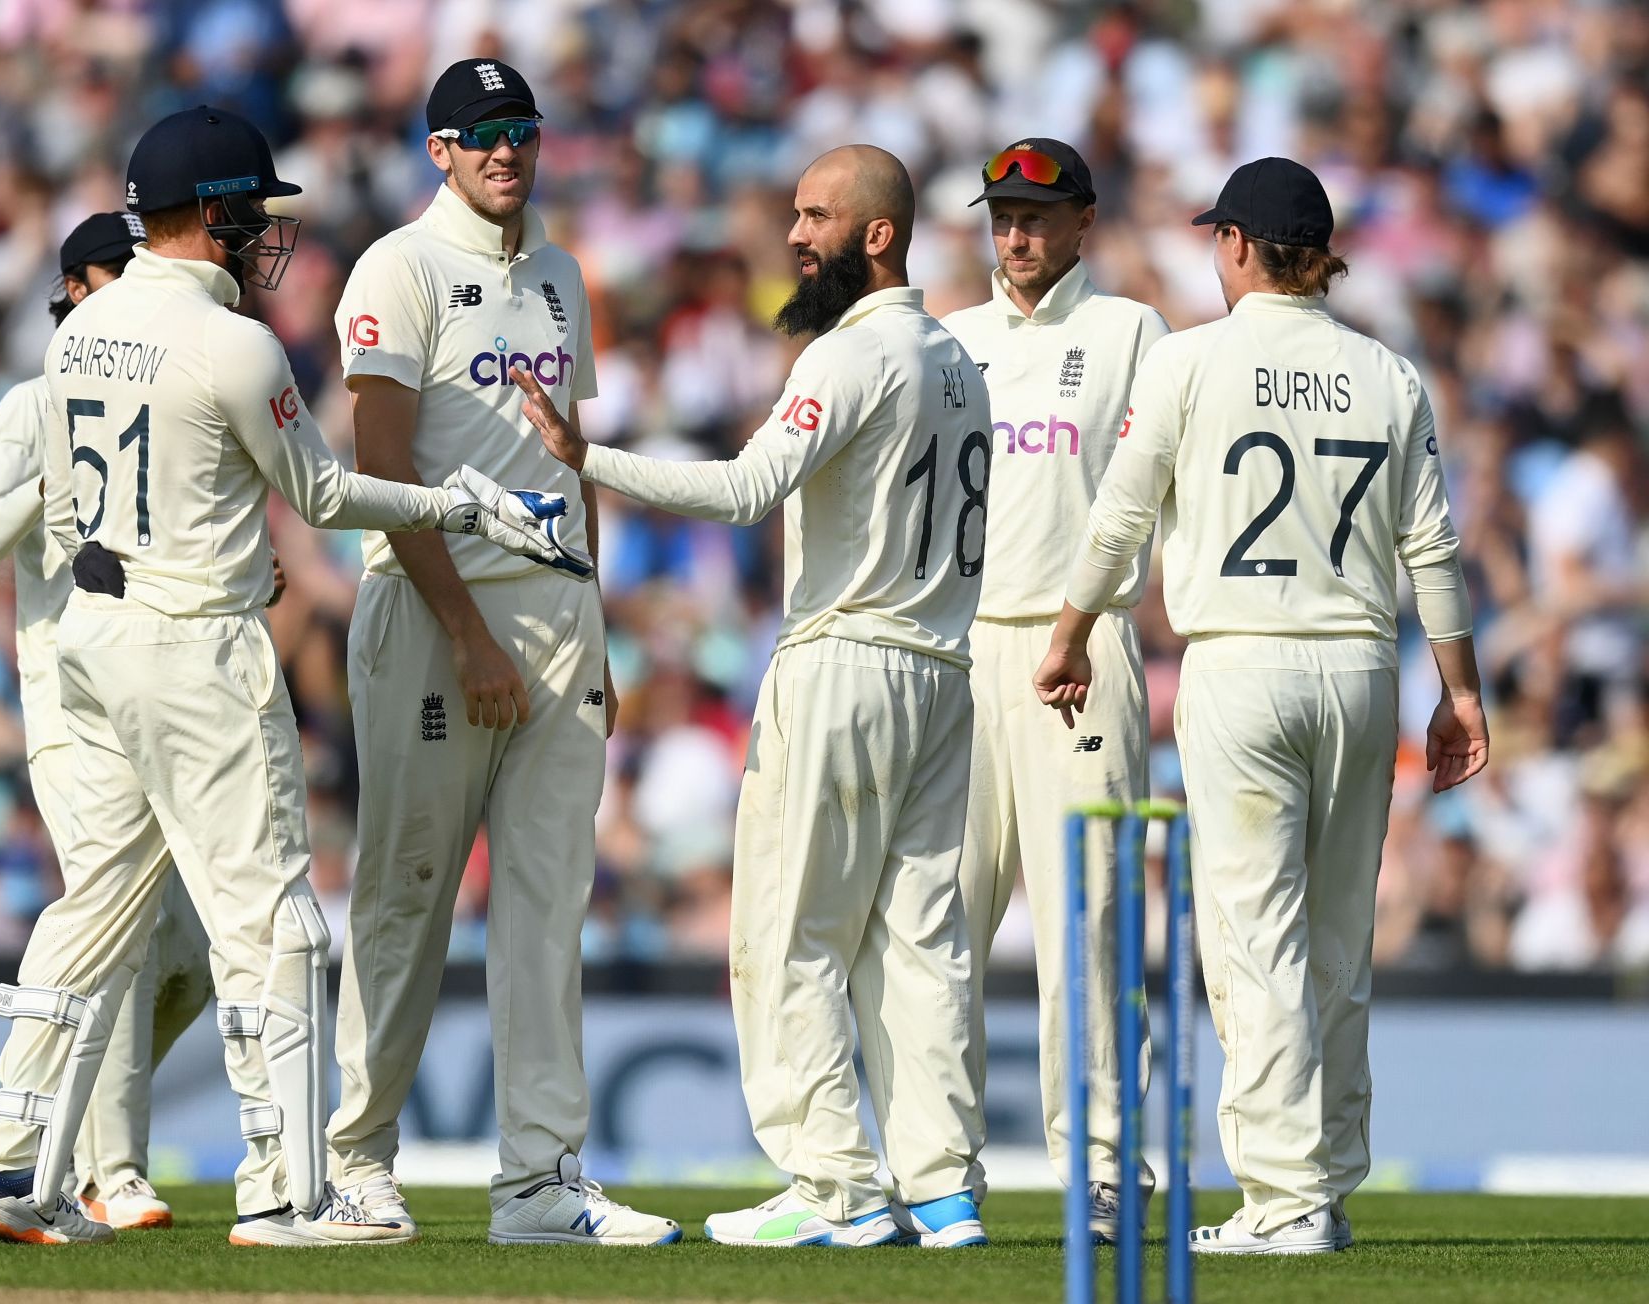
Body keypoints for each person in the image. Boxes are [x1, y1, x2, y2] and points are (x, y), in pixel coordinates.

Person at [0, 104, 589, 1248]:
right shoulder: (234, 340)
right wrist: (462, 500)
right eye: (250, 212)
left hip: (92, 651)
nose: (262, 236)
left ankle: (10, 1164)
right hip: (198, 644)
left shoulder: (76, 335)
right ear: (208, 213)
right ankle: (292, 1191)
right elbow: (327, 497)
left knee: (97, 904)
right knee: (280, 926)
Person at [519, 144, 990, 1250]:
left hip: (846, 664)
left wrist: (591, 459)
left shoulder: (846, 356)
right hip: (940, 670)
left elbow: (742, 491)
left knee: (789, 938)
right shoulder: (964, 360)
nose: (793, 235)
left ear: (878, 233)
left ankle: (836, 1186)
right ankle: (944, 1187)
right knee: (921, 945)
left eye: (816, 215)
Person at [1034, 157, 1490, 1254]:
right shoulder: (1388, 373)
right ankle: (1324, 1178)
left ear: (1238, 244)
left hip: (1241, 664)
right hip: (1360, 670)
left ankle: (1286, 1200)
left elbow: (1120, 517)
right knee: (1336, 935)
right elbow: (1431, 544)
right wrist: (1461, 688)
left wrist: (1065, 631)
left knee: (1254, 937)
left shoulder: (1193, 360)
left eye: (1217, 240)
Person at [323, 59, 676, 1247]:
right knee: (406, 896)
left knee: (546, 905)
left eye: (519, 130)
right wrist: (470, 633)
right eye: (480, 135)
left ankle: (540, 1181)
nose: (504, 151)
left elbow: (569, 459)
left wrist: (598, 623)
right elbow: (380, 473)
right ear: (439, 150)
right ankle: (356, 1161)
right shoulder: (399, 266)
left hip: (557, 614)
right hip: (436, 613)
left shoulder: (565, 275)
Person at [0, 211, 217, 1233]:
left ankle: (82, 1162)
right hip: (69, 701)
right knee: (115, 921)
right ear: (79, 285)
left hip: (165, 696)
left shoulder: (171, 391)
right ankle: (69, 1166)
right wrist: (38, 494)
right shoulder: (32, 403)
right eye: (123, 269)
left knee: (186, 952)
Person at [939, 138, 1169, 1243]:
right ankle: (940, 1164)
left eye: (1038, 213)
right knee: (939, 922)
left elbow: (1148, 497)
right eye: (1002, 215)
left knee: (1089, 919)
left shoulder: (1129, 332)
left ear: (1084, 218)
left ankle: (1107, 1166)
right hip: (961, 650)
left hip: (1083, 651)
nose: (1016, 234)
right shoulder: (951, 340)